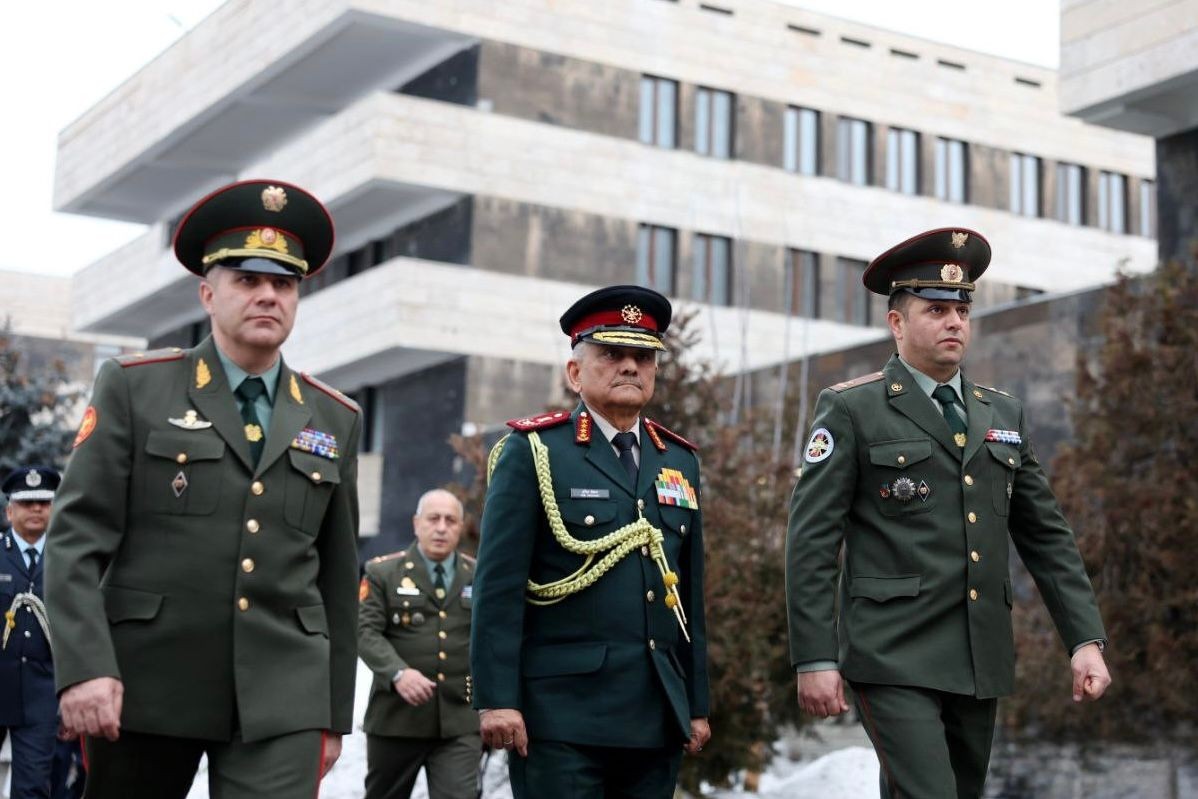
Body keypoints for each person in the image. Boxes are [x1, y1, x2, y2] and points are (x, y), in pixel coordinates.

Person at [45, 179, 362, 799]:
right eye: (248, 280)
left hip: (281, 697)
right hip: (145, 683)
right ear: (207, 293)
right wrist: (85, 669)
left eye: (284, 284)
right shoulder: (136, 389)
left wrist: (330, 712)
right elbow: (75, 542)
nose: (268, 296)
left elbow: (336, 576)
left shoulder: (333, 417)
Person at [785, 227, 1112, 798]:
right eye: (935, 310)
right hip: (891, 656)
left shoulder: (1000, 413)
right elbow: (811, 541)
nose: (954, 322)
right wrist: (814, 656)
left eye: (962, 309)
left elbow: (1047, 536)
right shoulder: (850, 409)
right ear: (897, 323)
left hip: (978, 658)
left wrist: (1084, 639)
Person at [471, 285, 711, 798]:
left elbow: (688, 595)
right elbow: (498, 586)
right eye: (612, 354)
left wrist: (696, 702)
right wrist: (497, 699)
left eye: (643, 356)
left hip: (654, 712)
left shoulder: (679, 460)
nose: (630, 366)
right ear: (575, 373)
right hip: (561, 716)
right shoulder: (534, 451)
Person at [358, 489, 480, 799]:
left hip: (459, 720)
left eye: (450, 520)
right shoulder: (382, 572)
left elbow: (490, 640)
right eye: (433, 519)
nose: (441, 527)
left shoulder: (478, 576)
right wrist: (398, 672)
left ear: (461, 527)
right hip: (396, 719)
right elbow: (364, 631)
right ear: (416, 523)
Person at [0, 467, 61, 798]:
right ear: (10, 511)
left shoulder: (68, 559)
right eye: (27, 503)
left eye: (43, 502)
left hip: (43, 692)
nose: (36, 509)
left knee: (34, 789)